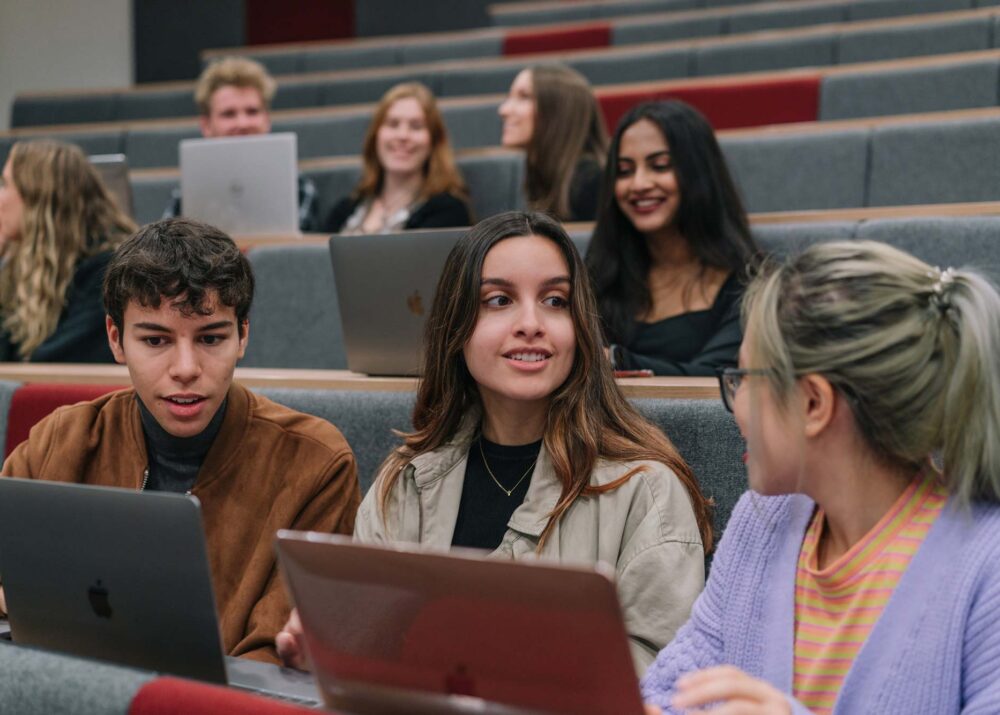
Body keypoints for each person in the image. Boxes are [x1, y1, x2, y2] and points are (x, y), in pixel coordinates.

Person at [277, 210, 712, 675]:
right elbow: (372, 642)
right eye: (500, 300)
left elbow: (665, 676)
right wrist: (334, 652)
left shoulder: (646, 491)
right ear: (457, 325)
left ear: (581, 327)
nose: (531, 323)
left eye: (555, 300)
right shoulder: (405, 480)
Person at [643, 240, 1000, 714]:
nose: (736, 403)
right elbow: (669, 692)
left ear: (813, 403)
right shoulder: (761, 520)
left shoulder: (986, 566)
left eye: (745, 378)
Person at [0, 218, 361, 663]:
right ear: (115, 340)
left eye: (211, 338)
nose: (186, 368)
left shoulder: (315, 463)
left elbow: (273, 660)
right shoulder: (62, 439)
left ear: (243, 335)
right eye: (156, 339)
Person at [586, 100, 760, 376]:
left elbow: (716, 381)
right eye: (625, 171)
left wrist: (615, 360)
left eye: (660, 166)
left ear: (698, 173)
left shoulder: (751, 284)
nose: (639, 184)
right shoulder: (599, 274)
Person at [0, 140, 136, 362]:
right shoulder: (22, 264)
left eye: (5, 184)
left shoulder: (108, 271)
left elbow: (45, 362)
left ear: (38, 200)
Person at [161, 57, 319, 232]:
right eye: (229, 114)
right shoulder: (187, 193)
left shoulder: (299, 187)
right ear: (206, 125)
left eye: (252, 111)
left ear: (267, 119)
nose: (243, 123)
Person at [323, 82, 473, 233]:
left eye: (416, 126)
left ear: (433, 141)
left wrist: (369, 232)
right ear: (376, 136)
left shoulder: (449, 211)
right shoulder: (346, 208)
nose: (402, 136)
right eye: (393, 124)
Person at [499, 64, 607, 222]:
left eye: (524, 97)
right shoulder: (541, 174)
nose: (503, 110)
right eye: (509, 97)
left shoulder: (590, 183)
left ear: (558, 110)